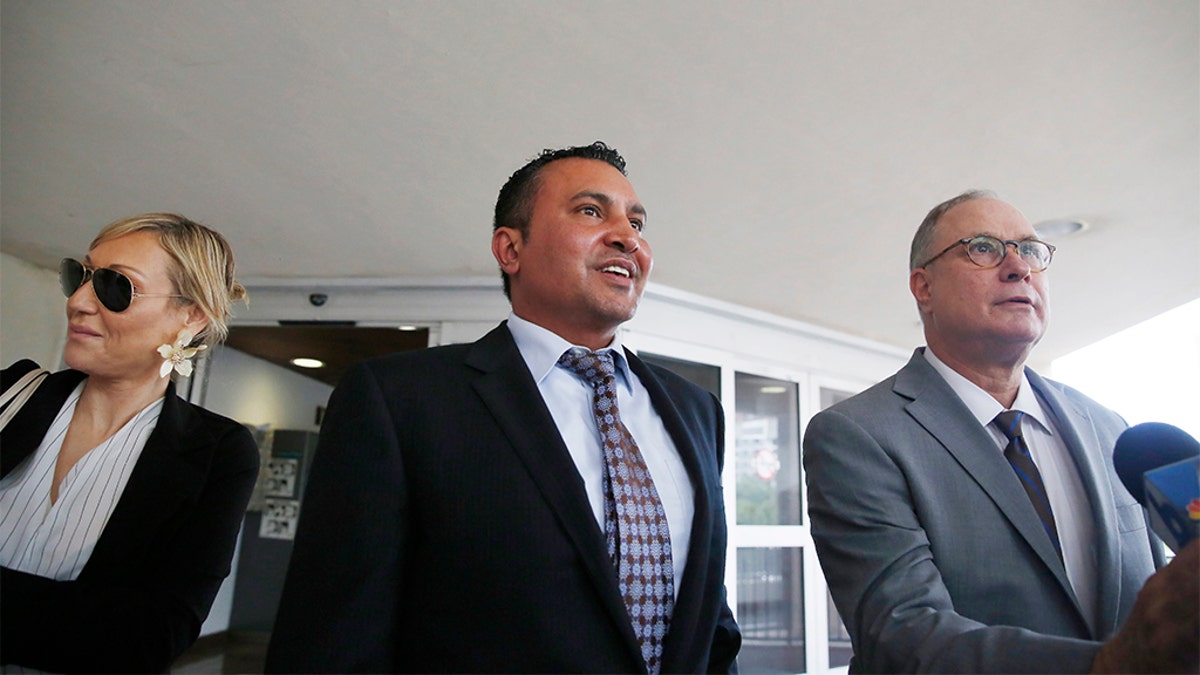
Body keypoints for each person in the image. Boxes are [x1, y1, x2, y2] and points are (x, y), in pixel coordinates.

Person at [266, 142, 741, 673]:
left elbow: (710, 619)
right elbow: (334, 636)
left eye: (637, 222)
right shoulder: (399, 400)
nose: (628, 237)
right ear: (510, 249)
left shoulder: (697, 410)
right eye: (590, 211)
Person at [803, 189, 1199, 673]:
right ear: (923, 287)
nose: (1019, 267)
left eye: (1031, 250)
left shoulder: (1110, 427)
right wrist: (1111, 666)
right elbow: (902, 634)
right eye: (984, 248)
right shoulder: (856, 436)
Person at [0, 213, 259, 672]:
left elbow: (151, 636)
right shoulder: (10, 394)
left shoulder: (219, 451)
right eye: (77, 276)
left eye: (115, 286)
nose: (78, 301)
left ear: (191, 314)